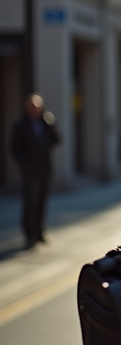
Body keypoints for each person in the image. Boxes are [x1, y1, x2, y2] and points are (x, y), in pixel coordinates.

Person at [10, 93, 60, 248]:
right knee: (30, 202)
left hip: (45, 168)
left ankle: (39, 231)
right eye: (32, 107)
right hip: (30, 171)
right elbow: (14, 148)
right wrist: (24, 163)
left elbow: (57, 139)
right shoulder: (21, 125)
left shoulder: (45, 122)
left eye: (38, 107)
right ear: (27, 108)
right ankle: (29, 233)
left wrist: (50, 123)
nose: (35, 110)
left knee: (42, 201)